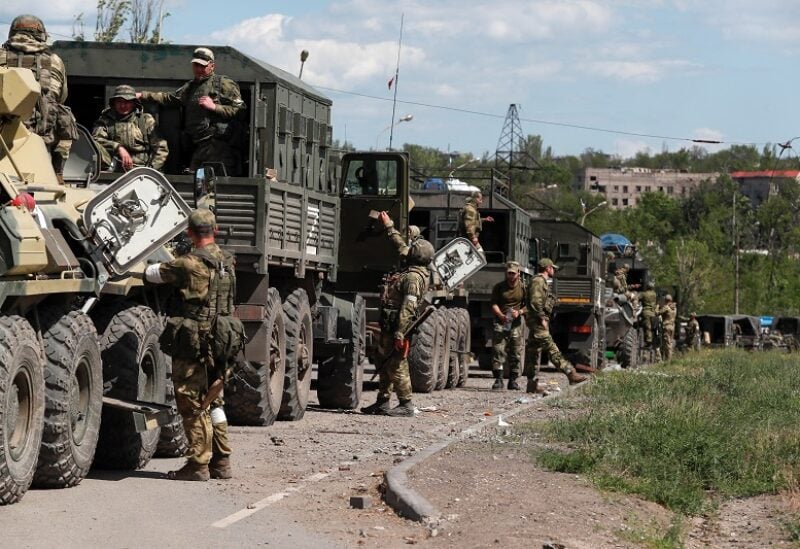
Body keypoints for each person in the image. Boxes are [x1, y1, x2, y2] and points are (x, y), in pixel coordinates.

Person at [145, 209, 240, 481]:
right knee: (215, 399)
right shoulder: (227, 262)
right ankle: (222, 461)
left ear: (189, 233)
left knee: (191, 401)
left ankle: (198, 464)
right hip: (223, 337)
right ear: (216, 230)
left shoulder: (187, 264)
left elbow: (152, 274)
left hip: (195, 340)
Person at [363, 212, 434, 417]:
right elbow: (400, 245)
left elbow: (408, 308)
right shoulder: (413, 268)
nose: (408, 249)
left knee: (396, 364)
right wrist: (389, 226)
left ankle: (406, 404)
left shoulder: (413, 278)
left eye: (412, 249)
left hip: (398, 327)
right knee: (384, 362)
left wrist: (400, 333)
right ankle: (383, 402)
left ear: (416, 255)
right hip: (391, 324)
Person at [137, 47, 246, 176]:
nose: (198, 69)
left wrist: (214, 107)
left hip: (218, 147)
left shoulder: (224, 84)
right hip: (199, 146)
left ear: (212, 65)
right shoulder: (190, 87)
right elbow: (170, 98)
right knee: (195, 184)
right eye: (196, 65)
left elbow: (241, 110)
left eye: (202, 66)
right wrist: (142, 95)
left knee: (209, 187)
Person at [0, 14, 78, 181]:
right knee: (64, 113)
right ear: (41, 34)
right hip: (42, 144)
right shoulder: (55, 61)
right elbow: (61, 98)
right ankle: (58, 173)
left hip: (4, 143)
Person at [523, 258, 587, 394]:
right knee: (552, 348)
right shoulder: (538, 281)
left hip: (535, 322)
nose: (554, 270)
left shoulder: (540, 281)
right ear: (547, 268)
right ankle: (571, 373)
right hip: (537, 322)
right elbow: (535, 302)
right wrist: (542, 318)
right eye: (553, 268)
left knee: (532, 352)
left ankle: (531, 383)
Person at [92, 85, 169, 172]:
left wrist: (149, 171)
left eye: (127, 102)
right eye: (119, 101)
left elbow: (161, 149)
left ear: (134, 103)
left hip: (141, 171)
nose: (123, 105)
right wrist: (118, 147)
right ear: (114, 103)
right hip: (112, 170)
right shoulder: (105, 120)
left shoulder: (145, 120)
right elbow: (95, 140)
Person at [490, 261, 527, 390]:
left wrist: (520, 312)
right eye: (509, 273)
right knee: (498, 350)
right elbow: (494, 303)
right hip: (501, 322)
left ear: (518, 273)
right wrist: (501, 315)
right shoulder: (499, 287)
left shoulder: (523, 288)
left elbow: (529, 305)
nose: (511, 276)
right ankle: (498, 379)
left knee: (515, 352)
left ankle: (513, 380)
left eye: (513, 273)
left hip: (515, 324)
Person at [657, 294, 677, 361]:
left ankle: (668, 360)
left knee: (667, 344)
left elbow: (657, 313)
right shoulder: (674, 308)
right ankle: (669, 359)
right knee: (670, 343)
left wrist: (657, 306)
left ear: (665, 300)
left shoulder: (666, 307)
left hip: (666, 327)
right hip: (672, 326)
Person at [639, 281, 658, 350]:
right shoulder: (654, 294)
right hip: (652, 312)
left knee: (647, 327)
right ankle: (653, 342)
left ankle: (648, 343)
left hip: (646, 312)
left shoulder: (644, 294)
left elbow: (638, 298)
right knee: (652, 328)